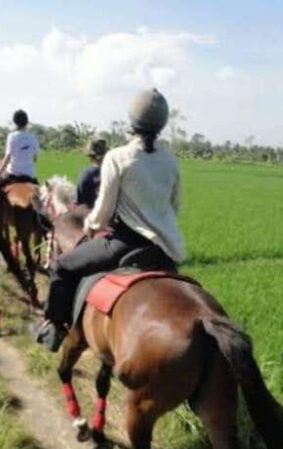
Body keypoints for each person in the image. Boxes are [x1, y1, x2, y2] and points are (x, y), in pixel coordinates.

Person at [35, 89, 184, 351]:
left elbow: (103, 211)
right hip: (164, 250)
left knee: (61, 265)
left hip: (124, 243)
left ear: (132, 122)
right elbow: (174, 208)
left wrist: (91, 226)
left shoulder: (118, 157)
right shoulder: (170, 161)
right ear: (161, 124)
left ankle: (54, 327)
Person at [0, 109, 40, 188]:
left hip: (13, 175)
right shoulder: (33, 138)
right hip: (29, 176)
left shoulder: (12, 136)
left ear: (15, 122)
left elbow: (7, 158)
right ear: (27, 122)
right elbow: (35, 159)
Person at [76, 138, 108, 209]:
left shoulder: (85, 175)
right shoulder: (113, 173)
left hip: (91, 216)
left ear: (90, 156)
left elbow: (80, 203)